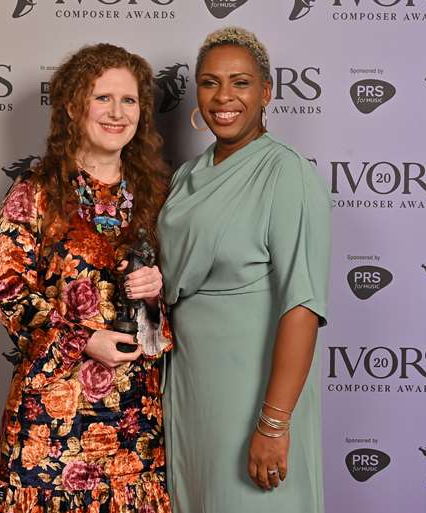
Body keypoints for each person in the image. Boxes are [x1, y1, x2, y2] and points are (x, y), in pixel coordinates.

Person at [0, 43, 173, 513]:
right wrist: (87, 340)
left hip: (134, 418)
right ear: (73, 107)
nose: (116, 113)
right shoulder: (34, 194)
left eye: (128, 100)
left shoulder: (161, 200)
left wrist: (156, 297)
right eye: (102, 98)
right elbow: (11, 296)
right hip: (52, 415)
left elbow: (179, 314)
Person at [157, 27, 331, 513]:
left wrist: (273, 424)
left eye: (241, 82)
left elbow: (303, 304)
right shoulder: (186, 176)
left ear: (266, 92)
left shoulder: (287, 173)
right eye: (210, 83)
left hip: (253, 397)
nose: (224, 97)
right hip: (191, 391)